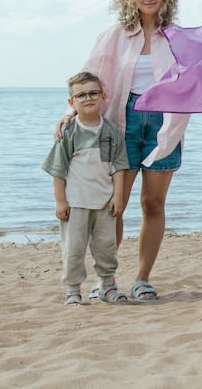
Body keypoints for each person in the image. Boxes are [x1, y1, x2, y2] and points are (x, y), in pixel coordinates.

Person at [55, 0, 190, 303]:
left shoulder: (176, 36)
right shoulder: (114, 35)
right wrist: (70, 113)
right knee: (115, 205)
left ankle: (143, 279)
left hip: (164, 122)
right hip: (121, 122)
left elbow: (196, 77)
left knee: (153, 203)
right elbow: (90, 77)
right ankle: (107, 279)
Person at [43, 72, 130, 305]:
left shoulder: (112, 132)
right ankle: (73, 290)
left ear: (103, 97)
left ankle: (108, 286)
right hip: (76, 203)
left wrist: (118, 197)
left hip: (104, 202)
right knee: (74, 249)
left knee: (106, 247)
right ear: (71, 102)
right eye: (80, 95)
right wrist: (60, 201)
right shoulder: (68, 133)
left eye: (93, 93)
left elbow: (119, 167)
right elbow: (57, 170)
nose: (88, 98)